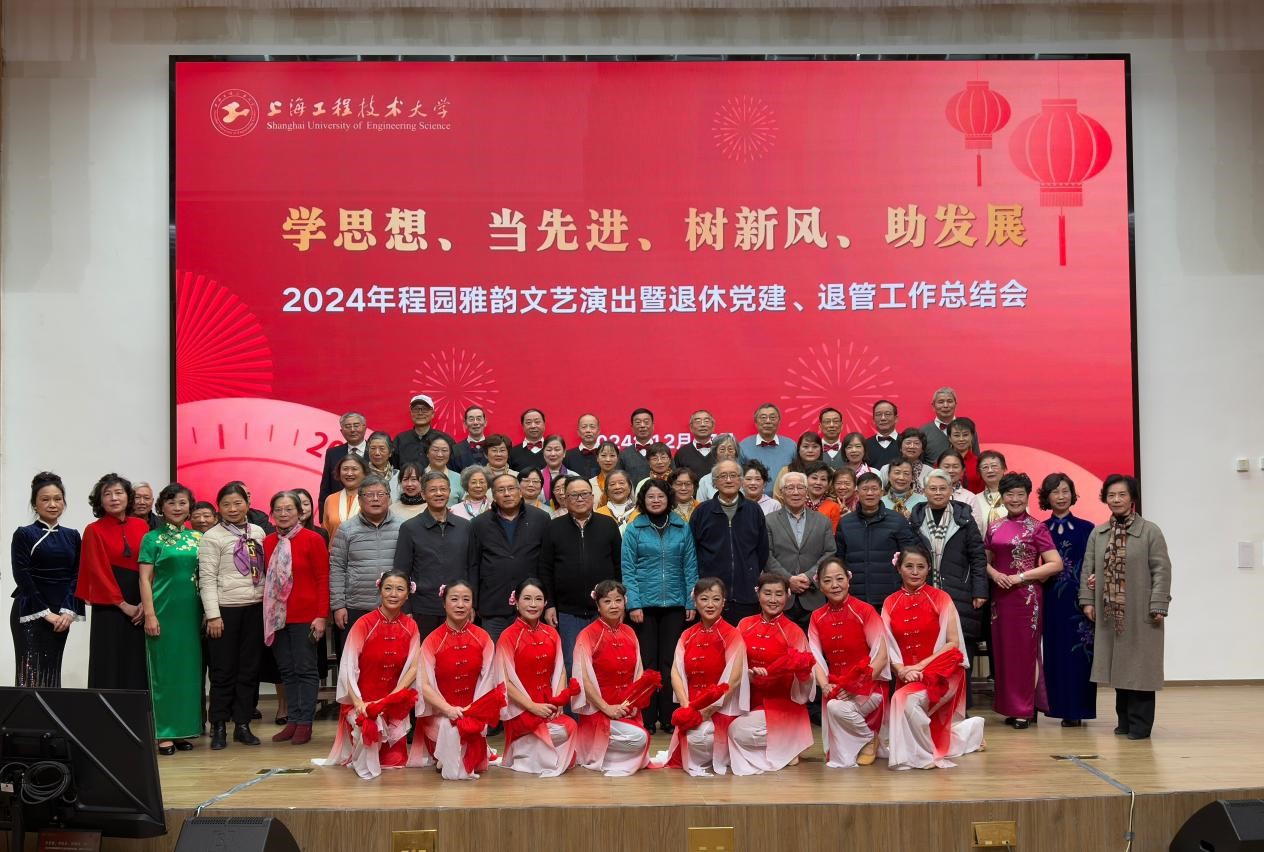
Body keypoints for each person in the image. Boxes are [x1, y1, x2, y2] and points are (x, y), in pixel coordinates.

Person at [1079, 474, 1171, 740]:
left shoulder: (1150, 531)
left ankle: (1140, 725)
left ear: (1132, 498)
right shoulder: (1099, 533)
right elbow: (1087, 568)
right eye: (1111, 495)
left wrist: (1158, 604)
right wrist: (1087, 600)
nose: (1116, 499)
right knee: (1119, 668)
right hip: (1110, 612)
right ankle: (1125, 721)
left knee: (1140, 669)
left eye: (1122, 494)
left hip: (1141, 611)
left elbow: (1162, 570)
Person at [883, 544, 986, 770]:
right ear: (899, 568)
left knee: (904, 701)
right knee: (907, 704)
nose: (915, 572)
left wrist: (919, 666)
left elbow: (953, 643)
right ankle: (969, 733)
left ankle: (923, 756)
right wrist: (901, 670)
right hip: (908, 675)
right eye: (909, 566)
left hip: (943, 673)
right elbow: (888, 644)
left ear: (929, 569)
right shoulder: (890, 602)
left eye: (921, 567)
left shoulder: (940, 597)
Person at [318, 568, 420, 780]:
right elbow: (348, 666)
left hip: (393, 703)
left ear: (407, 594)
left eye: (399, 589)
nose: (393, 594)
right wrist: (358, 703)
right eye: (388, 588)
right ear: (380, 590)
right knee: (368, 743)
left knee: (394, 763)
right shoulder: (364, 623)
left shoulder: (411, 626)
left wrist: (391, 698)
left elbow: (413, 667)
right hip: (363, 702)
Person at [984, 472, 1063, 729]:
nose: (1015, 499)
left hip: (1026, 598)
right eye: (1010, 494)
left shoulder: (1037, 527)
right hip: (1000, 597)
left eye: (1020, 494)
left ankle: (1024, 709)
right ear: (1002, 497)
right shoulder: (994, 526)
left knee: (1025, 652)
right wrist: (995, 575)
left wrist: (1020, 577)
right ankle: (1011, 707)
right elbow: (984, 560)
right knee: (1004, 652)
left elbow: (1055, 564)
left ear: (1028, 496)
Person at [621, 479, 698, 733]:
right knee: (647, 663)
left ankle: (668, 717)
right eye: (651, 496)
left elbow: (690, 567)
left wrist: (690, 600)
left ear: (668, 499)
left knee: (670, 662)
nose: (656, 500)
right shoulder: (634, 528)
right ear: (643, 500)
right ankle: (646, 718)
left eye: (660, 496)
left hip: (675, 605)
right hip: (643, 607)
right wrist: (633, 603)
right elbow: (628, 569)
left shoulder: (681, 527)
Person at [410, 580, 502, 780]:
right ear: (444, 603)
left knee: (464, 735)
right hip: (441, 714)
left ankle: (459, 755)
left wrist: (472, 710)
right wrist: (448, 710)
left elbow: (488, 679)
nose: (460, 605)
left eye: (466, 600)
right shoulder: (432, 640)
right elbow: (424, 685)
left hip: (474, 712)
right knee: (451, 730)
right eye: (454, 599)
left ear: (472, 605)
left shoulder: (483, 637)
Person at [198, 482, 266, 749]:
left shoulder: (258, 532)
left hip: (255, 608)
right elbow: (206, 579)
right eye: (226, 504)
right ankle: (218, 726)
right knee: (222, 671)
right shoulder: (211, 537)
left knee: (249, 671)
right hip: (225, 611)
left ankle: (243, 725)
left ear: (247, 504)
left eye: (238, 503)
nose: (233, 508)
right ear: (219, 508)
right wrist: (213, 616)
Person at [658, 578, 747, 776]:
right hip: (692, 707)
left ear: (723, 602)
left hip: (721, 709)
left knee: (701, 737)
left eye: (716, 599)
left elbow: (733, 680)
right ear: (695, 601)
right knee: (695, 737)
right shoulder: (687, 635)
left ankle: (722, 752)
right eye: (704, 599)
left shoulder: (732, 634)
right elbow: (676, 672)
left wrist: (706, 711)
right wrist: (687, 707)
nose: (710, 604)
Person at [138, 483, 204, 754]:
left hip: (192, 614)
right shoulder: (151, 539)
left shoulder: (199, 538)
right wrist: (150, 614)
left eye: (182, 503)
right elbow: (144, 579)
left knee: (188, 673)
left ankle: (183, 730)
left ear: (190, 507)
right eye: (171, 502)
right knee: (163, 673)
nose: (177, 508)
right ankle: (163, 732)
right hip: (164, 612)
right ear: (161, 507)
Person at [730, 574, 816, 774]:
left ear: (788, 595)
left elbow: (806, 679)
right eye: (767, 593)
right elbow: (732, 663)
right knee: (722, 731)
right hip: (748, 701)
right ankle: (785, 747)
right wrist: (747, 676)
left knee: (736, 731)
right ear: (758, 594)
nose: (773, 599)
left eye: (779, 594)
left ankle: (789, 741)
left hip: (781, 705)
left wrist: (800, 674)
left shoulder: (793, 631)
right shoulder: (744, 624)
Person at [262, 490, 329, 746]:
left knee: (306, 670)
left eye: (289, 509)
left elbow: (323, 579)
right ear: (272, 514)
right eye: (278, 509)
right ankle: (292, 721)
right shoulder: (268, 542)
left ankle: (305, 723)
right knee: (287, 671)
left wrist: (321, 616)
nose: (283, 514)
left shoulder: (313, 539)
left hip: (306, 616)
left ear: (300, 513)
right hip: (277, 617)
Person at [808, 558, 888, 768]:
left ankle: (868, 738)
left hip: (869, 687)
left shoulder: (864, 610)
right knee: (835, 705)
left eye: (839, 579)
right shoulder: (817, 617)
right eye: (827, 581)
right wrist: (824, 684)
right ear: (820, 585)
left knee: (835, 707)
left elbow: (881, 656)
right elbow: (814, 656)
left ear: (848, 579)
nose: (835, 585)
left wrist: (857, 685)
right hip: (837, 689)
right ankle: (862, 741)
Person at [495, 577, 578, 777]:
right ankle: (525, 747)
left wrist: (558, 702)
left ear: (545, 603)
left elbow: (560, 670)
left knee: (570, 727)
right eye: (527, 598)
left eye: (538, 599)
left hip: (547, 706)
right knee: (557, 733)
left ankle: (529, 751)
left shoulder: (551, 633)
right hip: (521, 709)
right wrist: (532, 707)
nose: (533, 604)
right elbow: (504, 682)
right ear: (516, 602)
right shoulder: (508, 636)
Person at [76, 473, 150, 690]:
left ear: (128, 496)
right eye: (107, 494)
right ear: (100, 501)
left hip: (140, 603)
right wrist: (123, 604)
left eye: (119, 493)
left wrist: (145, 603)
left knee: (137, 662)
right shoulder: (93, 529)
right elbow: (98, 571)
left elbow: (150, 566)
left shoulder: (141, 526)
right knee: (108, 661)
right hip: (109, 606)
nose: (114, 498)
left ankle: (137, 710)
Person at [541, 476, 623, 672]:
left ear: (593, 497)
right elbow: (545, 568)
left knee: (605, 663)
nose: (579, 499)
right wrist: (549, 604)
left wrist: (619, 604)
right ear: (565, 499)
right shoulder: (553, 527)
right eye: (574, 495)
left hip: (604, 609)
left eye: (584, 494)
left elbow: (619, 566)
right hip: (567, 611)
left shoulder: (608, 525)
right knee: (572, 663)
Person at [571, 580, 653, 777]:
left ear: (625, 602)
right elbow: (583, 678)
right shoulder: (587, 635)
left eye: (618, 600)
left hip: (626, 708)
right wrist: (606, 708)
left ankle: (605, 754)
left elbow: (639, 672)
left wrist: (635, 702)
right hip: (599, 710)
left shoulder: (630, 632)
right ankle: (596, 752)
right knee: (640, 738)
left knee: (641, 740)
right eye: (607, 601)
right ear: (598, 605)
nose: (614, 605)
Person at [10, 472, 83, 688]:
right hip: (30, 612)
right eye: (45, 499)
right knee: (30, 676)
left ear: (63, 502)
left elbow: (77, 575)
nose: (52, 504)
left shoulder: (72, 535)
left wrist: (68, 612)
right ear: (35, 504)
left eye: (57, 499)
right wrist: (45, 613)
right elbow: (22, 575)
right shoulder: (24, 534)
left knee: (51, 674)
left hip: (61, 616)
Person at [908, 470, 988, 664]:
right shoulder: (915, 519)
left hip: (959, 591)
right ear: (924, 491)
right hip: (924, 591)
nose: (938, 493)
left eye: (942, 488)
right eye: (933, 488)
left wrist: (980, 591)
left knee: (960, 654)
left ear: (951, 490)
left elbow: (978, 556)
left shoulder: (964, 518)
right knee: (927, 652)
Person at [1038, 473, 1097, 727]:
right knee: (1055, 653)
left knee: (1081, 656)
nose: (1061, 496)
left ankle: (1078, 710)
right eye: (1055, 492)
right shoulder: (1040, 528)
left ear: (1073, 495)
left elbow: (1094, 563)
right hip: (1050, 599)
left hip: (1079, 601)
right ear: (1046, 497)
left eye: (1065, 491)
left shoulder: (1088, 528)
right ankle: (1057, 708)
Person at [468, 473, 551, 643]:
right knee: (496, 655)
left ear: (520, 492)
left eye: (511, 488)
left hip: (531, 606)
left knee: (530, 654)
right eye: (501, 490)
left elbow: (546, 565)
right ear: (493, 495)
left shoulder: (540, 519)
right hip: (493, 605)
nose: (507, 494)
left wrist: (549, 603)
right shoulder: (479, 523)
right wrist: (472, 603)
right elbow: (473, 565)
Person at [330, 475, 403, 663]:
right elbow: (337, 567)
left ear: (389, 498)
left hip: (394, 606)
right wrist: (338, 605)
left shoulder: (403, 527)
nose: (375, 499)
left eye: (381, 494)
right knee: (356, 662)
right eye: (369, 495)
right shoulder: (346, 529)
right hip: (356, 607)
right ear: (360, 500)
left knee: (390, 662)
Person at [690, 460, 769, 625]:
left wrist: (750, 572)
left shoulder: (753, 510)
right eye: (723, 476)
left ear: (741, 480)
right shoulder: (702, 512)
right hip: (711, 596)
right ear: (714, 482)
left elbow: (762, 551)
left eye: (733, 475)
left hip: (746, 593)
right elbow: (692, 552)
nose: (728, 480)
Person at [394, 471, 472, 637]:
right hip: (423, 608)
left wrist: (471, 604)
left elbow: (472, 567)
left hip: (459, 607)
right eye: (433, 490)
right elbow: (401, 571)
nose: (438, 493)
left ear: (449, 492)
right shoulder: (410, 528)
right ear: (423, 494)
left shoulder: (465, 527)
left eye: (443, 489)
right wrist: (406, 608)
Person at [834, 472, 919, 611]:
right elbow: (839, 559)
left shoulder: (897, 521)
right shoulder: (845, 523)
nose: (870, 493)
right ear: (857, 493)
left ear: (881, 492)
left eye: (874, 489)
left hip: (891, 596)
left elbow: (910, 556)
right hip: (855, 596)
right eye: (865, 489)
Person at [765, 472, 835, 631]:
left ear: (806, 491)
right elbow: (766, 555)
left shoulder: (822, 521)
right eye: (790, 488)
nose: (795, 492)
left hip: (813, 595)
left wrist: (809, 576)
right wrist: (788, 579)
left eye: (800, 487)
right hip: (780, 596)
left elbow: (830, 553)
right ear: (782, 492)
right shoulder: (769, 520)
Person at [319, 412, 368, 521]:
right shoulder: (332, 453)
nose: (352, 430)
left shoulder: (376, 451)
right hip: (338, 515)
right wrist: (323, 519)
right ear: (342, 431)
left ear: (364, 427)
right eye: (348, 426)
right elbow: (325, 487)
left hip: (369, 513)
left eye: (356, 425)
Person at [739, 403, 795, 495]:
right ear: (756, 422)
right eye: (763, 417)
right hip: (753, 499)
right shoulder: (743, 446)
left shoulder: (791, 445)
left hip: (784, 499)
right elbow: (738, 476)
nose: (768, 421)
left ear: (779, 421)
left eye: (772, 417)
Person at [393, 393, 457, 471]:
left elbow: (453, 468)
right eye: (416, 409)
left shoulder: (445, 440)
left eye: (425, 409)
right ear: (411, 413)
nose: (420, 413)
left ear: (432, 414)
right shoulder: (400, 440)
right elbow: (394, 470)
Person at [920, 386, 978, 465]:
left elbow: (977, 458)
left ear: (955, 404)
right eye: (941, 402)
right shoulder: (923, 432)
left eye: (949, 401)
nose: (945, 405)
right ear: (933, 406)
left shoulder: (968, 428)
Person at [322, 453, 368, 541]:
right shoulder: (330, 499)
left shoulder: (371, 498)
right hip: (334, 549)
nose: (349, 473)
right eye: (345, 469)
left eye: (354, 469)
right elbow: (325, 533)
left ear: (364, 473)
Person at [880, 429, 930, 495]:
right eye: (908, 443)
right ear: (900, 447)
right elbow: (880, 493)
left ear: (922, 449)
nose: (912, 446)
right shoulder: (886, 469)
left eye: (916, 443)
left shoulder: (930, 472)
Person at [933, 450, 980, 519]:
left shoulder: (970, 498)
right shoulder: (929, 494)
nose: (951, 470)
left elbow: (977, 524)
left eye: (955, 467)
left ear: (963, 471)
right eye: (946, 466)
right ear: (938, 469)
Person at [674, 409, 719, 481]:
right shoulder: (682, 453)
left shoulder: (721, 450)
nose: (702, 425)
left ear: (713, 426)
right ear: (691, 427)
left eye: (706, 421)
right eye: (698, 421)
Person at [618, 408, 657, 484]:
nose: (642, 425)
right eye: (638, 423)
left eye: (646, 422)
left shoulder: (663, 451)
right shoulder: (624, 454)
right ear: (632, 428)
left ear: (653, 426)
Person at [973, 450, 1008, 533]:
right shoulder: (975, 499)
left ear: (1003, 468)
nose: (990, 470)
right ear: (979, 472)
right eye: (985, 467)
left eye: (994, 466)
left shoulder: (1014, 496)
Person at [696, 434, 740, 501]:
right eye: (722, 449)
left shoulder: (743, 479)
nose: (726, 453)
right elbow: (700, 506)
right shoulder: (705, 481)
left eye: (730, 449)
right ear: (715, 454)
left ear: (736, 454)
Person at [594, 469, 637, 534]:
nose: (617, 487)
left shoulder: (640, 512)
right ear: (606, 490)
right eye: (612, 484)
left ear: (629, 488)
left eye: (621, 483)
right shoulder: (599, 514)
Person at [424, 436, 464, 506]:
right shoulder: (418, 476)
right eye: (435, 450)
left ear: (450, 454)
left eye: (444, 450)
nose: (440, 454)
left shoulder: (459, 478)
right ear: (427, 453)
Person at [863, 400, 902, 471]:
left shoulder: (905, 442)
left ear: (896, 418)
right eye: (878, 414)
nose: (883, 418)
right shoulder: (865, 445)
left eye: (887, 414)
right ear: (873, 420)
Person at [804, 462, 843, 532]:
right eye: (814, 478)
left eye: (823, 479)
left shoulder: (834, 507)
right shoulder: (797, 503)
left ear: (828, 484)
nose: (818, 483)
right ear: (805, 480)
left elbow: (832, 534)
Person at [564, 413, 603, 480]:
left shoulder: (608, 455)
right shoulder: (567, 456)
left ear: (598, 431)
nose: (588, 430)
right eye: (584, 427)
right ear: (578, 432)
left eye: (592, 427)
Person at [946, 418, 980, 492]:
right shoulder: (941, 463)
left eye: (965, 435)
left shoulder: (980, 463)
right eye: (956, 435)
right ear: (949, 438)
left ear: (972, 437)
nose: (961, 439)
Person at [364, 431, 399, 501]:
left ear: (390, 452)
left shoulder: (399, 476)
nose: (377, 453)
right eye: (373, 448)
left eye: (382, 449)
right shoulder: (362, 475)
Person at [453, 405, 490, 471]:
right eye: (471, 419)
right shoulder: (456, 449)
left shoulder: (493, 447)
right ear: (465, 424)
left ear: (485, 423)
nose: (475, 423)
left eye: (478, 419)